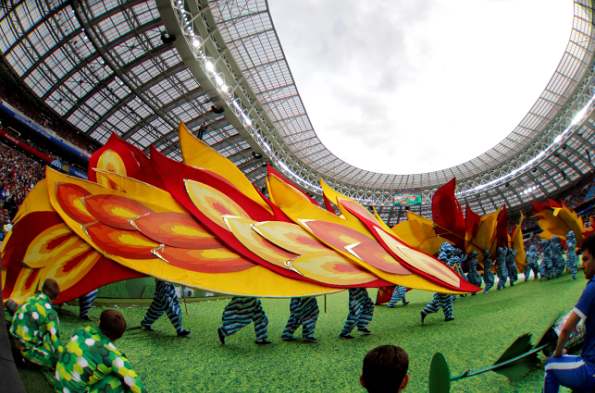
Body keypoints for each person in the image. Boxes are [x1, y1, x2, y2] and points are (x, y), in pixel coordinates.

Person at [542, 234, 595, 392]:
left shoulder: (592, 287)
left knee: (550, 367)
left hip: (590, 370)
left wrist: (558, 352)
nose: (582, 265)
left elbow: (566, 328)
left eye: (585, 259)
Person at [54, 309, 147, 393]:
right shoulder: (114, 357)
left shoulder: (81, 332)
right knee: (121, 381)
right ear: (121, 335)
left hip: (58, 387)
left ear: (99, 323)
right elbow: (136, 385)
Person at [10, 278, 61, 369]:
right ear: (57, 297)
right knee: (55, 361)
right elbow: (56, 344)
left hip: (13, 338)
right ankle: (25, 360)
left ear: (41, 288)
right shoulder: (50, 313)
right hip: (26, 349)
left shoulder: (31, 298)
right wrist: (63, 361)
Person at [421, 243, 455, 323]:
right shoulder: (443, 257)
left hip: (444, 281)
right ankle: (425, 312)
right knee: (442, 300)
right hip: (442, 282)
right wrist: (450, 264)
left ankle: (448, 316)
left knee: (446, 299)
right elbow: (443, 268)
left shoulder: (444, 256)